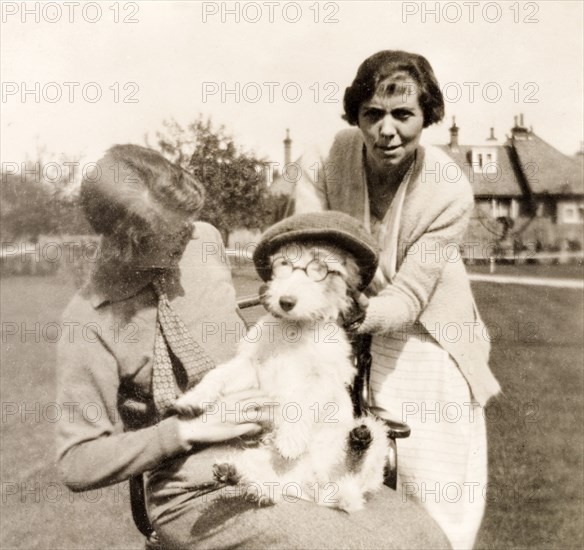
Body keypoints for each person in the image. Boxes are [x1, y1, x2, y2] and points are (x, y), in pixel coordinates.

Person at [56, 143, 450, 549]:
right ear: (127, 241)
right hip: (196, 484)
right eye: (171, 231)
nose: (186, 235)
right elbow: (78, 462)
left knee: (427, 539)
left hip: (297, 458)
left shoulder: (201, 241)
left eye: (187, 222)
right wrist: (188, 430)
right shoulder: (87, 320)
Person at [291, 50, 501, 550]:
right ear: (356, 116)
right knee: (343, 476)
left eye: (403, 115)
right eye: (372, 114)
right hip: (345, 328)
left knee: (433, 485)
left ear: (426, 116)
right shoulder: (324, 159)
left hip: (429, 339)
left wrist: (359, 311)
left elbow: (408, 294)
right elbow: (307, 241)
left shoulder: (449, 189)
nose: (387, 130)